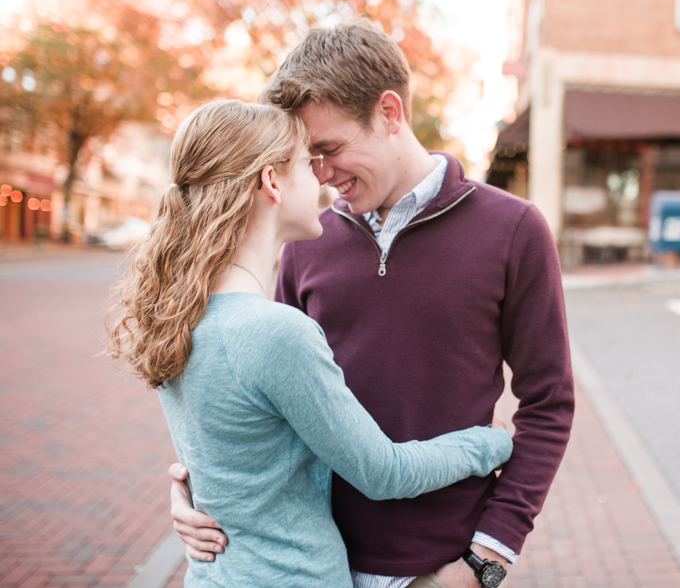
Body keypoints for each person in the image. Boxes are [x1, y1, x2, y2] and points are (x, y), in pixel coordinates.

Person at [170, 20, 575, 588]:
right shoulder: (305, 244)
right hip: (314, 565)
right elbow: (258, 403)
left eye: (330, 149)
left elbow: (549, 403)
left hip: (441, 567)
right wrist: (188, 488)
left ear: (389, 113)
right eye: (308, 158)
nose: (322, 176)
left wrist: (486, 561)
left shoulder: (513, 229)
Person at [108, 99, 513, 588]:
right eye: (306, 161)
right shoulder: (276, 332)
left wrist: (185, 492)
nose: (321, 177)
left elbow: (227, 457)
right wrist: (491, 442)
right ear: (271, 182)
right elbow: (383, 472)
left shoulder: (179, 315)